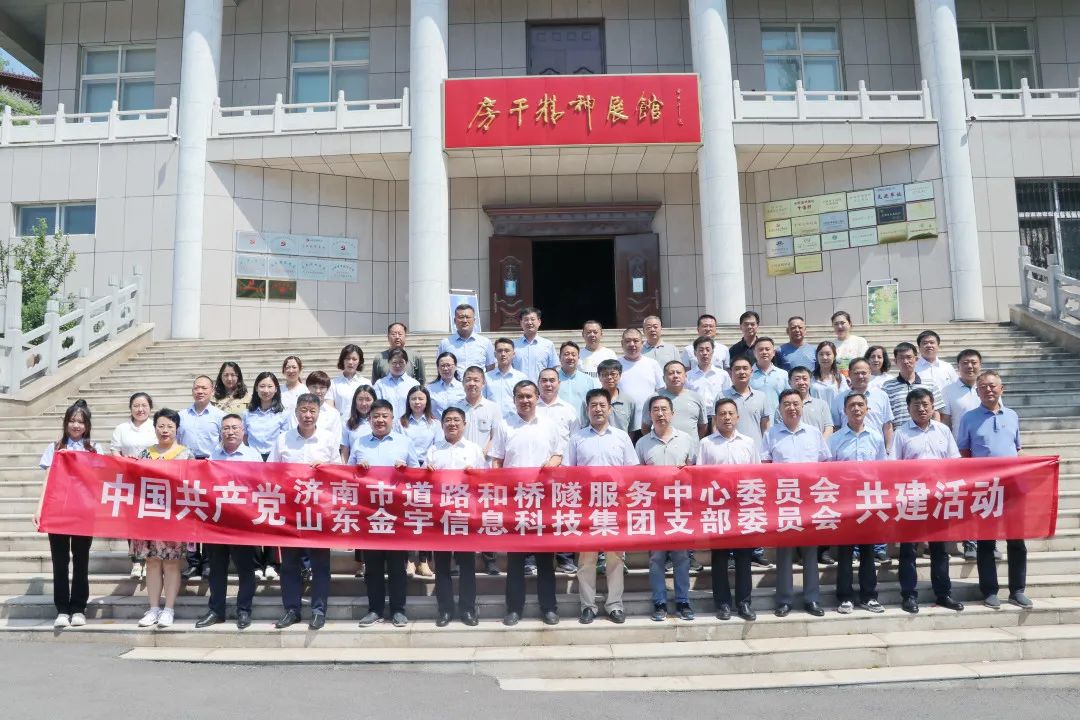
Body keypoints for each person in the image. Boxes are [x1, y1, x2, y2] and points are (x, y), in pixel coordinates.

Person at [489, 380, 563, 626]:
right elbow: (497, 460)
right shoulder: (504, 425)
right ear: (514, 399)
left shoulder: (549, 424)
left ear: (537, 398)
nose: (525, 400)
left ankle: (549, 607)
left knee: (545, 559)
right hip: (515, 501)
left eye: (529, 396)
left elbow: (558, 453)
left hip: (543, 500)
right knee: (516, 559)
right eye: (520, 396)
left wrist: (552, 463)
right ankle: (514, 608)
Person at [957, 371, 1032, 610]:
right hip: (985, 489)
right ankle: (989, 591)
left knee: (1016, 542)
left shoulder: (1012, 415)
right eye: (983, 387)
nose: (988, 390)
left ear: (1002, 389)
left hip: (1012, 488)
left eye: (992, 386)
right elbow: (964, 453)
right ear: (977, 391)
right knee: (986, 543)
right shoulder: (969, 418)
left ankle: (1017, 590)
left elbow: (1017, 449)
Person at [270, 393, 339, 630]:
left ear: (319, 413)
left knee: (320, 564)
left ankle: (319, 610)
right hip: (290, 511)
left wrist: (326, 469)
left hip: (319, 512)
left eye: (312, 411)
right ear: (296, 412)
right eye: (303, 410)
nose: (307, 415)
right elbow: (270, 471)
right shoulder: (283, 439)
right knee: (289, 563)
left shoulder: (328, 439)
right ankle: (292, 609)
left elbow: (340, 474)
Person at [893, 388, 965, 614]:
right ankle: (908, 595)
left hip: (939, 497)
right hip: (911, 497)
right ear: (908, 409)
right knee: (908, 549)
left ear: (933, 406)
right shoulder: (901, 433)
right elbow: (893, 466)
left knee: (939, 549)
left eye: (925, 404)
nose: (921, 409)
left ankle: (943, 593)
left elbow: (955, 462)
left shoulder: (943, 430)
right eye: (916, 405)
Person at [568, 389, 637, 624]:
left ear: (609, 408)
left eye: (602, 405)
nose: (598, 409)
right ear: (587, 409)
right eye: (593, 405)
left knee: (615, 558)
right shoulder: (577, 438)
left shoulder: (621, 437)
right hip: (587, 506)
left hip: (615, 505)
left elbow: (631, 471)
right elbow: (569, 473)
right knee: (586, 559)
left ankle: (615, 605)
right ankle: (588, 605)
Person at [762, 389, 830, 617]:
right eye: (787, 404)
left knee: (810, 551)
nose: (792, 408)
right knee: (784, 552)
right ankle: (784, 600)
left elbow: (824, 464)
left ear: (802, 406)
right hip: (784, 500)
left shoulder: (814, 433)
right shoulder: (771, 434)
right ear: (780, 409)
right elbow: (765, 466)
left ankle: (812, 599)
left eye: (795, 403)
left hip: (809, 500)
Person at [352, 399, 420, 627]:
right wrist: (358, 471)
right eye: (375, 416)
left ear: (392, 418)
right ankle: (375, 609)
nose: (380, 420)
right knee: (372, 567)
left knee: (397, 565)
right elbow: (347, 475)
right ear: (369, 419)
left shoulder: (404, 442)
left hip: (396, 513)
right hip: (369, 513)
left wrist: (406, 471)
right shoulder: (360, 443)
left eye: (384, 416)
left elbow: (418, 476)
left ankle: (398, 609)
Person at [34, 400, 102, 629]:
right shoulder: (54, 448)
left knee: (81, 560)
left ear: (87, 425)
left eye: (80, 421)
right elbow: (47, 481)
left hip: (83, 511)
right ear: (65, 423)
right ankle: (62, 609)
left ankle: (78, 608)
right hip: (58, 511)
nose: (76, 425)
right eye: (72, 420)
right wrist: (39, 508)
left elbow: (99, 480)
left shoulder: (94, 448)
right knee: (59, 561)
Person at [197, 414, 263, 630]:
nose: (230, 432)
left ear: (243, 431)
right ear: (220, 432)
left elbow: (261, 487)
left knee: (245, 569)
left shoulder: (253, 456)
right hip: (217, 522)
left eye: (235, 428)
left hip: (242, 523)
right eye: (226, 428)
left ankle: (244, 610)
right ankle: (216, 611)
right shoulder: (212, 456)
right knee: (217, 568)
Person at [697, 398, 757, 622]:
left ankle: (744, 603)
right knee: (720, 558)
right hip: (718, 509)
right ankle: (722, 603)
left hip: (743, 508)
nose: (727, 417)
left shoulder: (748, 442)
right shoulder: (706, 444)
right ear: (715, 418)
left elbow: (757, 474)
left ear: (738, 417)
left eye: (731, 413)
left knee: (744, 557)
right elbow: (700, 477)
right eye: (722, 414)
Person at [637, 395, 697, 621]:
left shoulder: (686, 439)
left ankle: (683, 600)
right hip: (654, 509)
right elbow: (636, 478)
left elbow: (695, 472)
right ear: (649, 415)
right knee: (656, 558)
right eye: (655, 410)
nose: (660, 414)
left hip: (680, 508)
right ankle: (659, 601)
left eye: (664, 409)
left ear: (673, 413)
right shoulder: (642, 443)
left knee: (681, 557)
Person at [134, 408, 194, 629]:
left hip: (173, 516)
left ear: (177, 429)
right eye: (161, 426)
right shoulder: (145, 454)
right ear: (155, 428)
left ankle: (168, 609)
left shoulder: (185, 454)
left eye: (169, 426)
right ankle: (153, 608)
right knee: (151, 562)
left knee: (171, 562)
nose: (165, 430)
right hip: (149, 515)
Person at [426, 407, 487, 627]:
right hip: (440, 515)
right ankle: (445, 610)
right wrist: (427, 472)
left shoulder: (474, 450)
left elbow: (485, 482)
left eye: (456, 420)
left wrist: (475, 475)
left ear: (464, 424)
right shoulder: (434, 450)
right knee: (441, 566)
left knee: (467, 566)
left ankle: (467, 609)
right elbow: (423, 483)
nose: (452, 424)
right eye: (448, 420)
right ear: (442, 424)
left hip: (465, 515)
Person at [827, 392, 887, 614]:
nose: (856, 409)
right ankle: (844, 596)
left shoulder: (876, 437)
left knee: (868, 551)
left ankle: (869, 596)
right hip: (844, 502)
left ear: (867, 409)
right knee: (845, 551)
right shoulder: (835, 439)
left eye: (861, 405)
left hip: (869, 501)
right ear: (844, 410)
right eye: (851, 405)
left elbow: (882, 469)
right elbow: (828, 473)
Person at [722, 355, 774, 568]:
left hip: (752, 458)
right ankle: (731, 552)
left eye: (745, 368)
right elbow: (716, 424)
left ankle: (756, 551)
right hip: (726, 460)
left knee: (752, 507)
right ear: (730, 373)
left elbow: (766, 427)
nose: (741, 372)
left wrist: (764, 456)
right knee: (729, 508)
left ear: (751, 372)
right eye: (737, 369)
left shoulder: (761, 397)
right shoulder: (722, 395)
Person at [941, 348, 991, 561]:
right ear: (958, 367)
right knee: (966, 497)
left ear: (980, 364)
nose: (970, 366)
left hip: (985, 454)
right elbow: (945, 422)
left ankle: (989, 541)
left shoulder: (988, 388)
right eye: (965, 363)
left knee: (987, 497)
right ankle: (969, 541)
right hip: (959, 453)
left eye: (974, 362)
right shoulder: (949, 390)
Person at [177, 375, 224, 579]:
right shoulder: (181, 416)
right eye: (197, 387)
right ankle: (193, 561)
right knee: (191, 514)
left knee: (209, 514)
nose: (200, 391)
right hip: (188, 466)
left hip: (210, 467)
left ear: (212, 390)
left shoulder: (220, 416)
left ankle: (208, 562)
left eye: (204, 388)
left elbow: (223, 442)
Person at [537, 367, 581, 575]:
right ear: (538, 383)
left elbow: (575, 440)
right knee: (535, 515)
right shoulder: (531, 407)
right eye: (544, 380)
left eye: (552, 380)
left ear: (559, 383)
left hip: (563, 470)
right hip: (536, 472)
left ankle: (565, 558)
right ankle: (532, 558)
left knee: (564, 515)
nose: (548, 384)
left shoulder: (569, 409)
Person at [109, 392, 156, 579]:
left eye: (144, 405)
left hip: (152, 480)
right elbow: (115, 452)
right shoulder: (121, 428)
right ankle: (137, 560)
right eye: (136, 405)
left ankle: (150, 559)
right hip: (129, 480)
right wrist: (125, 461)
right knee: (132, 520)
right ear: (130, 408)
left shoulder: (156, 426)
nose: (140, 409)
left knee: (150, 519)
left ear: (150, 408)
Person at [460, 365, 502, 576]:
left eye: (476, 380)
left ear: (483, 383)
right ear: (462, 383)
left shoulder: (493, 408)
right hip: (461, 470)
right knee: (461, 513)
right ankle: (461, 559)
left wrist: (482, 452)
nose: (472, 383)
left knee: (487, 514)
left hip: (484, 468)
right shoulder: (456, 407)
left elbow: (497, 436)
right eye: (468, 379)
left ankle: (490, 559)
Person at [643, 360, 709, 447]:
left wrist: (693, 443)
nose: (675, 376)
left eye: (679, 372)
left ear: (685, 376)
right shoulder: (654, 399)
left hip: (691, 450)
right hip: (663, 448)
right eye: (671, 373)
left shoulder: (696, 397)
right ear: (663, 378)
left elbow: (703, 426)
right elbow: (645, 427)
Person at [883, 342, 944, 434]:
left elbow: (935, 413)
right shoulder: (887, 386)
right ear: (895, 361)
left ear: (916, 359)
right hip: (900, 436)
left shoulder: (930, 384)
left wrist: (935, 434)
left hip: (926, 434)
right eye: (901, 358)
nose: (905, 361)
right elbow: (887, 418)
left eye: (909, 357)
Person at [617, 327, 664, 429]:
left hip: (649, 422)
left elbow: (661, 390)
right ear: (622, 344)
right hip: (623, 421)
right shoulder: (616, 365)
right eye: (628, 341)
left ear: (642, 343)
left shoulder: (652, 364)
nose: (632, 344)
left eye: (636, 341)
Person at [585, 358, 639, 440]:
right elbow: (585, 425)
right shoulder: (592, 400)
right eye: (605, 374)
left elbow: (631, 431)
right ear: (599, 377)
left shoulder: (629, 401)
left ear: (620, 375)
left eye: (613, 374)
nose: (609, 377)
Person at [438, 303, 496, 375]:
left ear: (474, 320)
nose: (464, 320)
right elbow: (440, 367)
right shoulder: (445, 343)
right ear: (455, 320)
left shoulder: (485, 342)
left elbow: (490, 369)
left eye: (468, 317)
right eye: (461, 317)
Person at [244, 371, 289, 461]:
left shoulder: (283, 414)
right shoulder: (247, 413)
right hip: (252, 459)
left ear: (276, 389)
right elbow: (244, 437)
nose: (266, 390)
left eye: (270, 386)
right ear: (256, 388)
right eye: (262, 386)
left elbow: (285, 439)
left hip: (274, 459)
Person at [293, 370, 343, 449]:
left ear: (327, 389)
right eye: (314, 387)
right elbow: (293, 433)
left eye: (322, 387)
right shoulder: (298, 411)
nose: (318, 391)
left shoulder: (333, 414)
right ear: (308, 387)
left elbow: (336, 441)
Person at [780, 366, 833, 437]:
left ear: (810, 381)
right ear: (789, 382)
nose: (801, 382)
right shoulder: (783, 406)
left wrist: (820, 443)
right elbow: (779, 430)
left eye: (805, 379)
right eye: (797, 379)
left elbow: (829, 428)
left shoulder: (822, 404)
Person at [686, 336, 732, 416]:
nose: (705, 353)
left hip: (717, 416)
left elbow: (728, 396)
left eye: (708, 350)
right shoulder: (688, 376)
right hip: (696, 416)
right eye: (701, 350)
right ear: (695, 353)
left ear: (712, 352)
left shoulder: (723, 375)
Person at [397, 385, 439, 467]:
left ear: (427, 401)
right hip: (406, 466)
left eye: (421, 399)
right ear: (408, 401)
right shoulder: (399, 423)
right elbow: (397, 446)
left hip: (428, 467)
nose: (417, 402)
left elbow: (437, 447)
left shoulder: (435, 424)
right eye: (413, 399)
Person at [484, 338, 527, 417]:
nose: (503, 354)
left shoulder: (521, 378)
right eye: (500, 351)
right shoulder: (486, 377)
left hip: (514, 420)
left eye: (507, 351)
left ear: (513, 354)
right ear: (495, 354)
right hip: (491, 420)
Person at [513, 307, 558, 381]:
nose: (529, 322)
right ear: (521, 323)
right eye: (526, 319)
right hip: (519, 386)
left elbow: (553, 369)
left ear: (539, 322)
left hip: (540, 387)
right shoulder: (513, 345)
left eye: (532, 319)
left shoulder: (548, 345)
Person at [373, 348, 421, 419]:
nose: (397, 366)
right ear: (388, 362)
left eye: (401, 362)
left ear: (406, 363)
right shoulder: (380, 384)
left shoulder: (414, 384)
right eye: (394, 362)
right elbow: (377, 407)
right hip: (386, 423)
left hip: (408, 423)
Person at [330, 344, 370, 420]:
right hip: (340, 424)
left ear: (359, 362)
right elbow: (330, 408)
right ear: (342, 360)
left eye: (354, 359)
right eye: (347, 358)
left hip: (361, 424)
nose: (350, 362)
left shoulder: (366, 383)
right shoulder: (333, 383)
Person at [556, 340, 599, 411]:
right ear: (560, 357)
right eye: (566, 354)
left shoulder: (588, 380)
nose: (570, 357)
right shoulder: (553, 379)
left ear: (578, 358)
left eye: (573, 355)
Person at [340, 384, 377, 463]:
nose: (363, 403)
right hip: (355, 466)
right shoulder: (348, 424)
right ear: (355, 401)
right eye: (360, 399)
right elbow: (344, 451)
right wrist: (344, 468)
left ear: (374, 401)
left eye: (368, 400)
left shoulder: (380, 422)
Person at [427, 351, 467, 419]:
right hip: (437, 424)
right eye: (442, 366)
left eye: (448, 365)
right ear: (438, 368)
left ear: (456, 366)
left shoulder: (464, 387)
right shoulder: (429, 388)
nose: (445, 369)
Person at [811, 341, 849, 408]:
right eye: (821, 354)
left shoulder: (840, 377)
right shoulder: (810, 377)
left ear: (834, 356)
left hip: (835, 414)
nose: (824, 357)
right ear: (817, 357)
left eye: (828, 354)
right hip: (815, 413)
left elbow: (845, 398)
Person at [749, 337, 788, 401]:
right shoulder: (748, 374)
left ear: (773, 353)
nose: (764, 352)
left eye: (767, 349)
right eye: (760, 349)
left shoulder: (783, 374)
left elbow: (788, 397)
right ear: (754, 353)